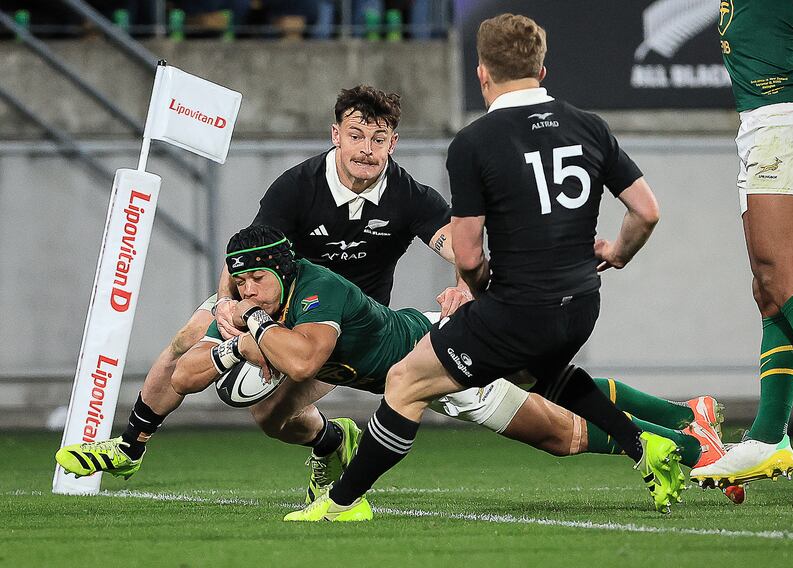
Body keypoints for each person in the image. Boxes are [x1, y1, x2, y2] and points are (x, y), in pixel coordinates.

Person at [284, 13, 686, 522]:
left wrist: (474, 293)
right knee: (544, 372)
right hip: (582, 305)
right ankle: (643, 444)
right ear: (542, 68)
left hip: (517, 308)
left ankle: (342, 503)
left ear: (482, 73)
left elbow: (469, 256)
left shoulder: (476, 142)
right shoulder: (590, 126)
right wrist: (618, 253)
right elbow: (646, 210)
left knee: (406, 381)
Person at [54, 85, 474, 482]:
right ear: (336, 136)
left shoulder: (410, 195)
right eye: (356, 135)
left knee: (270, 417)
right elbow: (247, 254)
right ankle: (129, 448)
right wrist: (223, 303)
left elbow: (461, 245)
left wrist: (464, 286)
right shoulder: (297, 186)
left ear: (392, 143)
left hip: (343, 324)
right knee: (187, 337)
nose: (366, 149)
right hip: (277, 302)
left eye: (378, 139)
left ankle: (332, 439)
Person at [171, 226, 722, 505]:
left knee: (563, 433)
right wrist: (227, 347)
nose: (248, 291)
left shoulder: (314, 290)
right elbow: (181, 376)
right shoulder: (263, 304)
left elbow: (305, 358)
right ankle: (684, 415)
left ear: (284, 270)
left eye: (256, 280)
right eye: (238, 282)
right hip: (430, 348)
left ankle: (698, 450)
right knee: (555, 388)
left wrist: (251, 335)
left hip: (445, 363)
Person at [690, 1, 793, 488]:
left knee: (780, 274)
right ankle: (769, 436)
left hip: (788, 120)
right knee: (767, 287)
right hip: (762, 124)